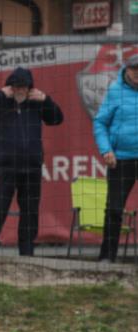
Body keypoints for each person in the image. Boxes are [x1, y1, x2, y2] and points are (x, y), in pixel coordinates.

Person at [0, 67, 63, 256]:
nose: (19, 90)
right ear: (10, 86)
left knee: (30, 210)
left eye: (23, 87)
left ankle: (27, 249)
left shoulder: (37, 104)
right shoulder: (0, 102)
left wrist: (46, 100)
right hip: (4, 167)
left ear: (30, 87)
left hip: (31, 168)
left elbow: (57, 119)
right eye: (16, 86)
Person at [93, 54, 138, 263]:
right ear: (127, 69)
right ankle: (107, 257)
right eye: (135, 69)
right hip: (121, 160)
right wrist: (106, 150)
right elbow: (100, 123)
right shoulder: (115, 92)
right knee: (114, 208)